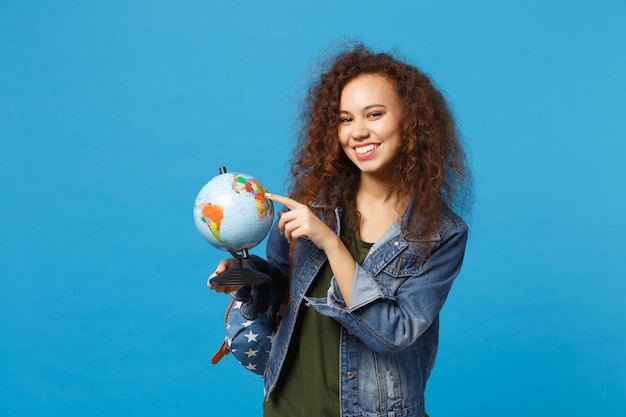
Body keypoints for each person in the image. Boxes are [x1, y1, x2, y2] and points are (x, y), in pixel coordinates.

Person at [208, 42, 472, 417]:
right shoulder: (313, 201)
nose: (358, 132)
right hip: (287, 406)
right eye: (345, 119)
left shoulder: (441, 232)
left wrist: (332, 244)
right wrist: (245, 279)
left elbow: (395, 332)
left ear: (410, 121)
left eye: (374, 114)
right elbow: (281, 287)